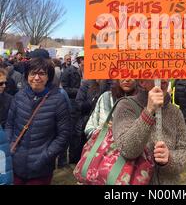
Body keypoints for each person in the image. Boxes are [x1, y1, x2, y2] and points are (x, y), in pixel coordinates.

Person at [112, 79, 186, 185]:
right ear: (142, 82)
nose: (164, 80)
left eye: (166, 73)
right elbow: (127, 149)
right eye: (157, 75)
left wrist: (169, 158)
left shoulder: (175, 112)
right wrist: (149, 111)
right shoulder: (126, 106)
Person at [5, 57, 71, 185]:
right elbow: (9, 125)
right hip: (16, 164)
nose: (36, 78)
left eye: (41, 74)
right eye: (33, 73)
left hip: (41, 169)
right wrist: (10, 147)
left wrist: (46, 156)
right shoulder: (19, 97)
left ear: (48, 77)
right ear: (27, 75)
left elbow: (64, 135)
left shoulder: (58, 100)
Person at [71, 79, 112, 163]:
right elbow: (78, 104)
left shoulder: (112, 86)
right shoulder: (86, 84)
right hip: (85, 124)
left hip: (105, 130)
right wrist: (93, 101)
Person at [61, 53, 82, 164]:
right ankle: (70, 159)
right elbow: (64, 88)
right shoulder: (69, 71)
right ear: (79, 60)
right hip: (73, 105)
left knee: (80, 132)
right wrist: (80, 91)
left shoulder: (90, 72)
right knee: (73, 132)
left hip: (85, 106)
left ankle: (78, 158)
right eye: (83, 59)